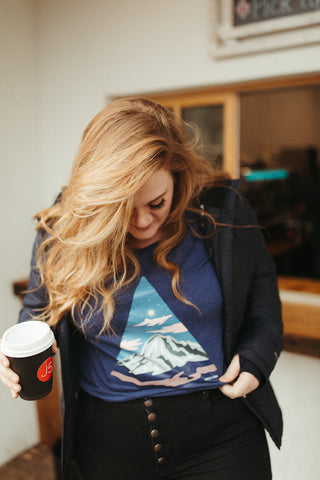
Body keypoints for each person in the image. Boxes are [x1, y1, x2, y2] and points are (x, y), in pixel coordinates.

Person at [0, 97, 283, 480]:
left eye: (157, 203)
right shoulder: (62, 227)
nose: (141, 222)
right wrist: (24, 344)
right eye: (122, 208)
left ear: (177, 175)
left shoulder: (222, 210)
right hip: (108, 444)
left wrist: (257, 357)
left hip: (222, 438)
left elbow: (263, 286)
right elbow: (37, 306)